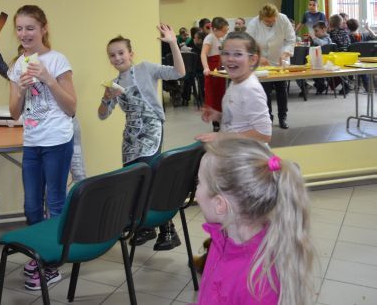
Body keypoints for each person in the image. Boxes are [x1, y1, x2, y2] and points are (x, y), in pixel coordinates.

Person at [194, 138, 315, 305]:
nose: (195, 192)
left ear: (219, 204)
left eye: (199, 183)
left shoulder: (258, 287)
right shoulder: (221, 240)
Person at [98, 25, 186, 250]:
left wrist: (173, 43)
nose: (117, 58)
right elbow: (102, 115)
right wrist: (106, 98)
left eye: (121, 53)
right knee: (133, 180)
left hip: (151, 128)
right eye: (112, 55)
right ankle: (145, 226)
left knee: (151, 176)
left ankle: (168, 230)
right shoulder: (114, 84)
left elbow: (179, 72)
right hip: (131, 136)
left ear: (131, 54)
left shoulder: (146, 69)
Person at [8, 5, 76, 291]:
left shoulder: (58, 60)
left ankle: (52, 264)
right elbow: (14, 113)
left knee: (56, 201)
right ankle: (38, 254)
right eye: (19, 28)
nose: (24, 33)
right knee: (32, 205)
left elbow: (71, 107)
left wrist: (48, 79)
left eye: (30, 28)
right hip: (32, 142)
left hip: (57, 140)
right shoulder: (17, 65)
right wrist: (22, 89)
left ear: (44, 28)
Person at [0, 36, 87, 182]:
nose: (28, 59)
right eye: (24, 55)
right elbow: (7, 72)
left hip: (65, 126)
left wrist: (48, 79)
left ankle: (79, 195)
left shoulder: (53, 63)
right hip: (39, 130)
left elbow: (70, 103)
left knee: (77, 172)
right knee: (50, 181)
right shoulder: (20, 70)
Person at [196, 32, 271, 144]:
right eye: (225, 53)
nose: (230, 58)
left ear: (252, 59)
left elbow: (264, 135)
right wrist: (218, 115)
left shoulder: (250, 89)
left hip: (248, 153)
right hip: (234, 148)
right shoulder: (236, 82)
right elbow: (238, 120)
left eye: (238, 54)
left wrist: (222, 137)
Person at [247, 4, 295, 129]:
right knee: (265, 91)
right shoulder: (254, 24)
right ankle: (268, 118)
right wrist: (258, 57)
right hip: (262, 62)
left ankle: (283, 117)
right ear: (261, 18)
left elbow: (290, 39)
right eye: (267, 21)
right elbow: (249, 44)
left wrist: (285, 53)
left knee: (282, 89)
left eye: (273, 20)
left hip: (279, 59)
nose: (270, 23)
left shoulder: (283, 19)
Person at [200, 17, 229, 132]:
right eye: (224, 31)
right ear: (215, 29)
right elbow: (203, 54)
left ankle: (221, 118)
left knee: (221, 95)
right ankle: (215, 122)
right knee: (213, 96)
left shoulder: (220, 38)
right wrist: (206, 68)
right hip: (212, 70)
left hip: (220, 69)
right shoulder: (209, 38)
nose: (225, 33)